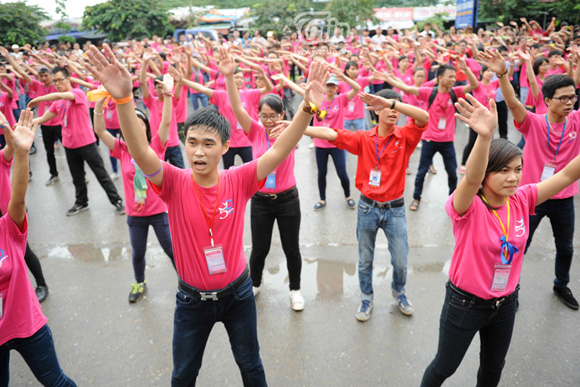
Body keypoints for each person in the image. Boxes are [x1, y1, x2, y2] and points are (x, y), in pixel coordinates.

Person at [85, 44, 326, 386]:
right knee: (183, 375)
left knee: (252, 367)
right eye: (192, 142)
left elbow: (281, 148)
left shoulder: (239, 179)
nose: (199, 151)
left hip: (238, 295)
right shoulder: (172, 181)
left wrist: (307, 107)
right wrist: (124, 101)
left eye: (209, 144)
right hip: (191, 301)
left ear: (226, 147)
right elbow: (139, 150)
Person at [421, 93, 580, 386]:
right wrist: (484, 137)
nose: (513, 178)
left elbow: (569, 174)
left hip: (505, 303)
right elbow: (470, 178)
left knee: (494, 368)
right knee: (444, 367)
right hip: (464, 304)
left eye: (518, 170)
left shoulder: (522, 198)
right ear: (486, 174)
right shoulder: (467, 205)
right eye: (503, 170)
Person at [304, 89, 429, 320]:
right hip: (367, 208)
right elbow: (331, 133)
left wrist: (391, 102)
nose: (394, 112)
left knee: (401, 261)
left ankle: (399, 291)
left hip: (395, 209)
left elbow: (424, 117)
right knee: (365, 260)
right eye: (389, 108)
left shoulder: (406, 136)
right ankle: (366, 298)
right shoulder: (363, 138)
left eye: (397, 108)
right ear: (376, 111)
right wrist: (297, 129)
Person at [479, 48, 580, 310]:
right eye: (564, 98)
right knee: (519, 246)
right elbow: (512, 102)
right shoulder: (533, 123)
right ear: (548, 100)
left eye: (573, 97)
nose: (570, 102)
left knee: (566, 247)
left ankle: (561, 285)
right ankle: (511, 288)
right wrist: (503, 72)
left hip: (564, 197)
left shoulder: (577, 122)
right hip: (530, 198)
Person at [0, 109, 76, 386]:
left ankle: (41, 282)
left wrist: (21, 154)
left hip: (26, 326)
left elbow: (17, 201)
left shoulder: (5, 228)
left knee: (57, 382)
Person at [226, 56, 304, 310]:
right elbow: (237, 107)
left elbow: (308, 112)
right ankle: (255, 283)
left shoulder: (290, 131)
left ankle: (295, 289)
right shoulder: (256, 131)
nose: (268, 121)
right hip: (260, 200)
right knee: (259, 248)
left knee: (291, 248)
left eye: (273, 116)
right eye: (264, 116)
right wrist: (229, 76)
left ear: (282, 114)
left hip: (287, 200)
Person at [93, 79, 176, 303]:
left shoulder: (156, 147)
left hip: (159, 212)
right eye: (132, 124)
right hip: (135, 215)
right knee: (138, 253)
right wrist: (99, 104)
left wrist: (168, 95)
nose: (136, 126)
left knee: (171, 251)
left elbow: (167, 122)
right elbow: (99, 130)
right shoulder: (121, 150)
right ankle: (139, 283)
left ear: (147, 127)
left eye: (141, 123)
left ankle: (187, 281)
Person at [383, 58, 478, 211]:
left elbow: (474, 85)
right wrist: (390, 80)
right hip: (429, 139)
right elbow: (408, 89)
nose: (453, 79)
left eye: (454, 77)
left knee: (452, 175)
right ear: (440, 78)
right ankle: (416, 199)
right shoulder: (429, 93)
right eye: (450, 76)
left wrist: (466, 69)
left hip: (448, 141)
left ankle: (453, 202)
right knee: (421, 172)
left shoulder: (456, 92)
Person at [28, 67, 125, 217]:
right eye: (55, 81)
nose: (57, 84)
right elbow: (49, 114)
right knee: (77, 176)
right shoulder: (59, 101)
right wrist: (33, 121)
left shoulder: (77, 93)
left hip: (86, 143)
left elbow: (60, 95)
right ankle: (81, 202)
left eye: (60, 80)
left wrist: (38, 99)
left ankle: (117, 201)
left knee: (101, 174)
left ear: (68, 79)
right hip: (69, 144)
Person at [312, 69, 361, 211]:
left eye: (333, 86)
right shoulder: (318, 100)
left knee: (342, 173)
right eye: (327, 85)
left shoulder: (341, 99)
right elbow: (306, 103)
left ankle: (348, 196)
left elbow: (357, 88)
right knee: (322, 173)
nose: (330, 88)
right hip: (320, 143)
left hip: (337, 142)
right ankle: (322, 199)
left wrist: (344, 77)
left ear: (336, 88)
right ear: (324, 87)